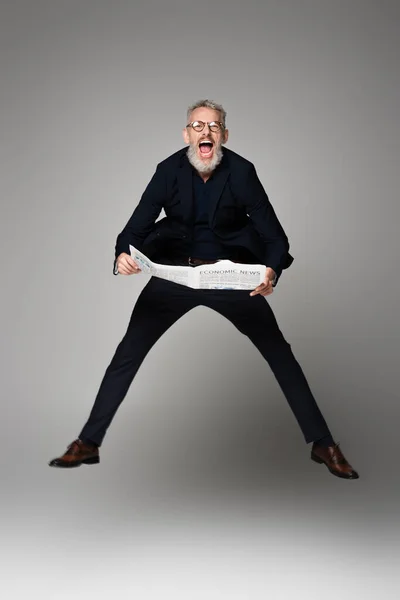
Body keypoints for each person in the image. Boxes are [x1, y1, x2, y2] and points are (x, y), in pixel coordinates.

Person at [49, 99, 359, 479]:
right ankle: (88, 443)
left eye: (213, 127)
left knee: (281, 355)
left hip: (230, 277)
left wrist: (272, 272)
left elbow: (276, 238)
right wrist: (122, 257)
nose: (205, 133)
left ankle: (323, 444)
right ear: (186, 135)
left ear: (224, 135)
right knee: (127, 353)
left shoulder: (242, 172)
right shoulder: (168, 170)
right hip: (175, 276)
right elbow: (133, 229)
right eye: (197, 126)